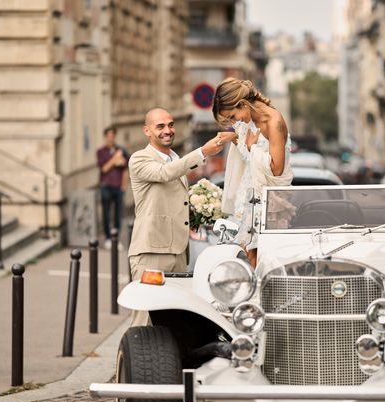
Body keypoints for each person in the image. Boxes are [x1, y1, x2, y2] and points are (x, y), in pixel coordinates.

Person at [128, 107, 225, 282]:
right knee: (148, 309)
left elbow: (174, 199)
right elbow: (164, 173)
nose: (167, 130)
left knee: (176, 309)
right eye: (160, 126)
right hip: (152, 252)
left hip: (180, 252)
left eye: (171, 125)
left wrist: (202, 209)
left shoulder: (176, 159)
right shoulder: (139, 158)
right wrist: (202, 152)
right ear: (147, 131)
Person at [212, 77, 294, 267]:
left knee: (265, 259)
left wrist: (252, 148)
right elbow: (247, 146)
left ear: (242, 104)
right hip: (248, 195)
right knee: (247, 256)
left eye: (232, 116)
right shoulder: (248, 120)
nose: (234, 121)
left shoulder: (273, 121)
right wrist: (234, 137)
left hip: (269, 201)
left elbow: (276, 168)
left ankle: (262, 296)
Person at [96, 126, 129, 250]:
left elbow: (125, 168)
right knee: (106, 213)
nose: (111, 138)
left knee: (117, 214)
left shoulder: (121, 150)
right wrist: (115, 159)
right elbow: (104, 168)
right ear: (106, 137)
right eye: (108, 135)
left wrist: (124, 186)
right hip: (106, 186)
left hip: (118, 187)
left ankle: (116, 238)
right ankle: (108, 238)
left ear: (114, 136)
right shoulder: (101, 152)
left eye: (112, 135)